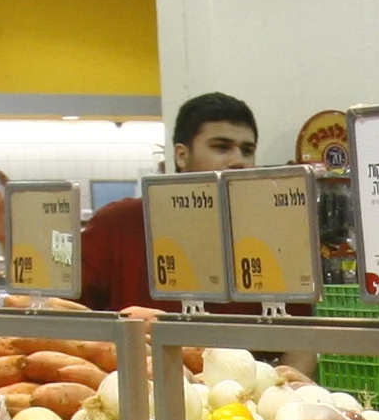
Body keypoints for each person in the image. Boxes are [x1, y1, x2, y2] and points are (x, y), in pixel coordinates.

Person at [78, 92, 256, 311]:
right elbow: (69, 313)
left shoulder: (266, 229)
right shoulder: (120, 223)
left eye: (247, 151)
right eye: (221, 147)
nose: (238, 161)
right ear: (181, 155)